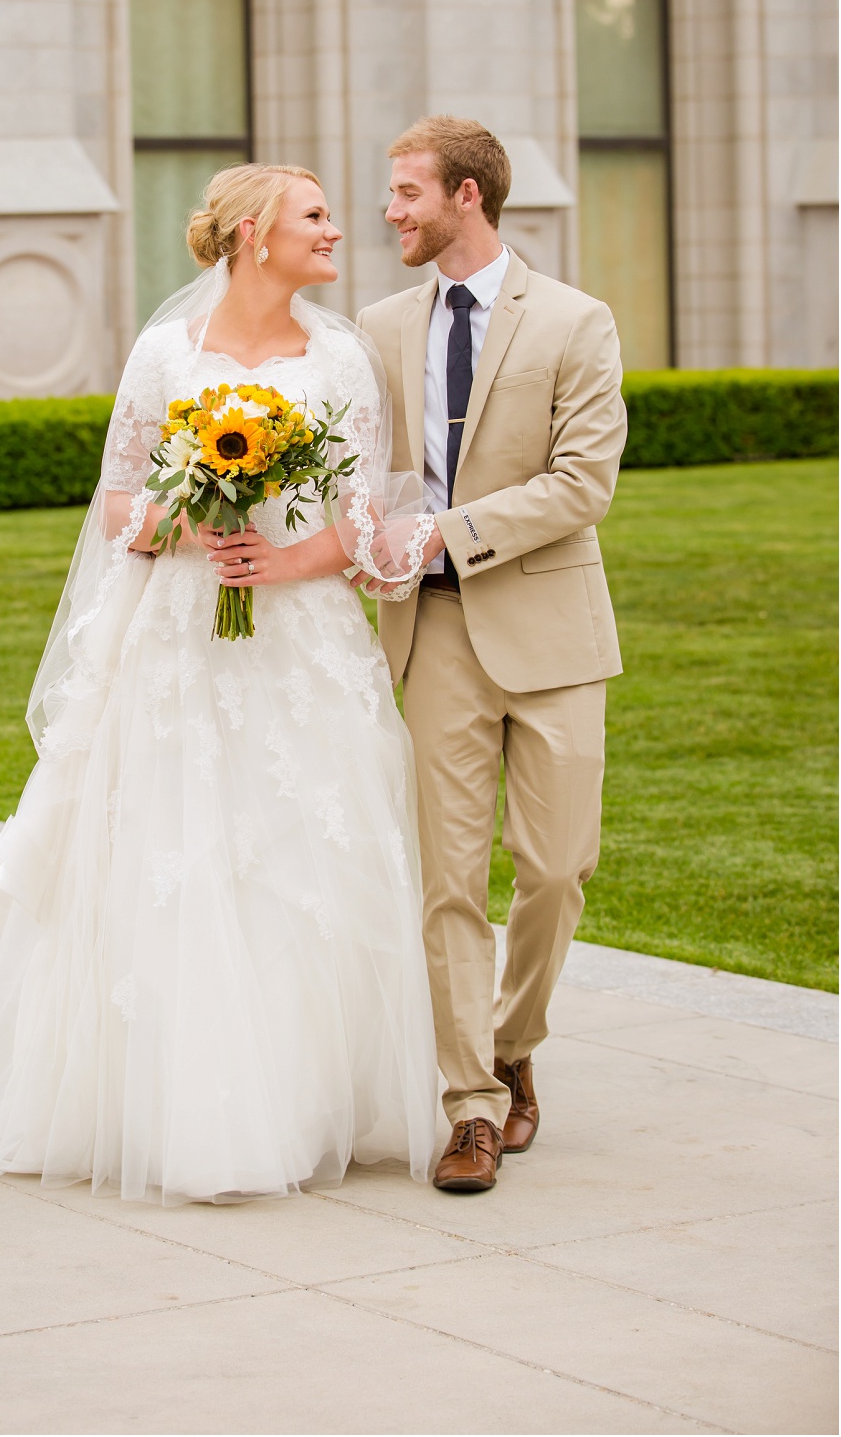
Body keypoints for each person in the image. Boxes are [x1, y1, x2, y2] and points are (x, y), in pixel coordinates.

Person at [0, 164, 442, 1204]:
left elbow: (359, 518)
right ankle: (187, 1106)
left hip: (300, 642)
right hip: (178, 637)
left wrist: (284, 561)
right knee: (182, 851)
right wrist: (186, 513)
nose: (335, 231)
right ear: (256, 234)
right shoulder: (165, 353)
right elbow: (119, 499)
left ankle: (303, 1100)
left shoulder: (339, 359)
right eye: (314, 216)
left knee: (300, 849)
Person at [358, 116, 627, 1193]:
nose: (393, 212)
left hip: (554, 633)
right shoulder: (376, 327)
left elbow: (582, 484)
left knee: (559, 870)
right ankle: (470, 1104)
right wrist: (363, 539)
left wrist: (450, 531)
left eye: (409, 192)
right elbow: (362, 473)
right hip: (430, 637)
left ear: (468, 196)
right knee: (449, 884)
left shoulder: (576, 320)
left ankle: (514, 1040)